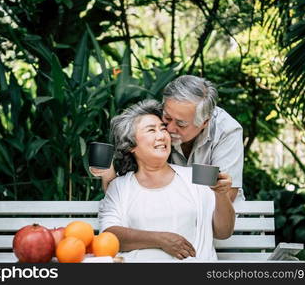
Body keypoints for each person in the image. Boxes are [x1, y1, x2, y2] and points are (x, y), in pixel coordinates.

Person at [99, 99, 235, 261]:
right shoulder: (120, 187)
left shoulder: (195, 176)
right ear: (131, 146)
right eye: (151, 130)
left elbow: (223, 232)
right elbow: (110, 235)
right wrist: (161, 240)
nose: (162, 136)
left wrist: (221, 195)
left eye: (163, 129)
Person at [91, 75, 244, 202]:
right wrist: (108, 173)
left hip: (217, 222)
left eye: (181, 124)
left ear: (204, 122)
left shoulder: (226, 130)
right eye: (167, 117)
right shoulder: (156, 121)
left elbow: (226, 194)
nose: (168, 129)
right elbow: (127, 189)